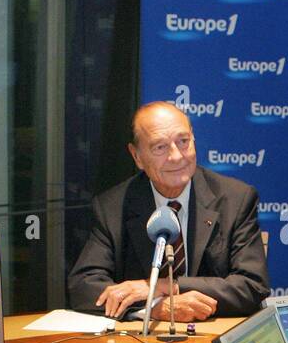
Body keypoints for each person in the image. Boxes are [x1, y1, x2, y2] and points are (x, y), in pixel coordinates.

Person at [67, 101, 269, 321]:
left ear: (194, 139)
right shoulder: (113, 206)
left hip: (214, 333)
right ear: (137, 156)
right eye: (160, 147)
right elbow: (84, 286)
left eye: (183, 142)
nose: (176, 156)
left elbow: (252, 286)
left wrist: (165, 287)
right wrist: (155, 308)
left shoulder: (235, 198)